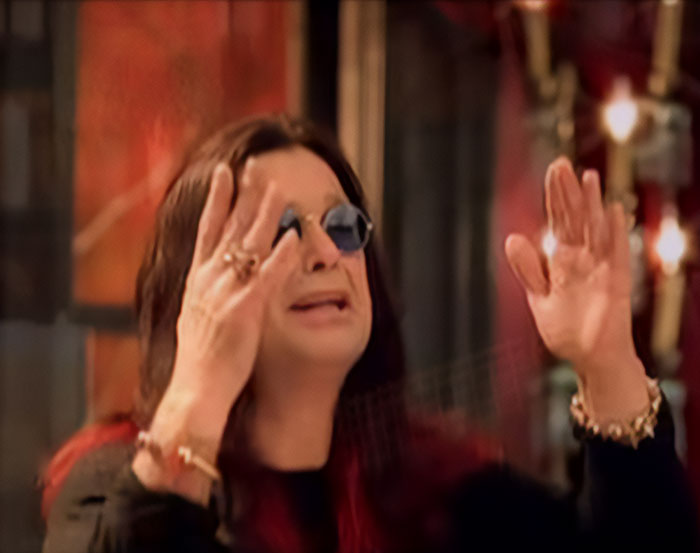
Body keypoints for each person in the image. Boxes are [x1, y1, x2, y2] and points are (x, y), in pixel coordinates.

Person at [43, 114, 697, 553]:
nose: (326, 252)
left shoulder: (442, 493)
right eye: (278, 230)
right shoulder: (114, 486)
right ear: (198, 286)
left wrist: (608, 363)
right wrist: (197, 392)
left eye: (342, 225)